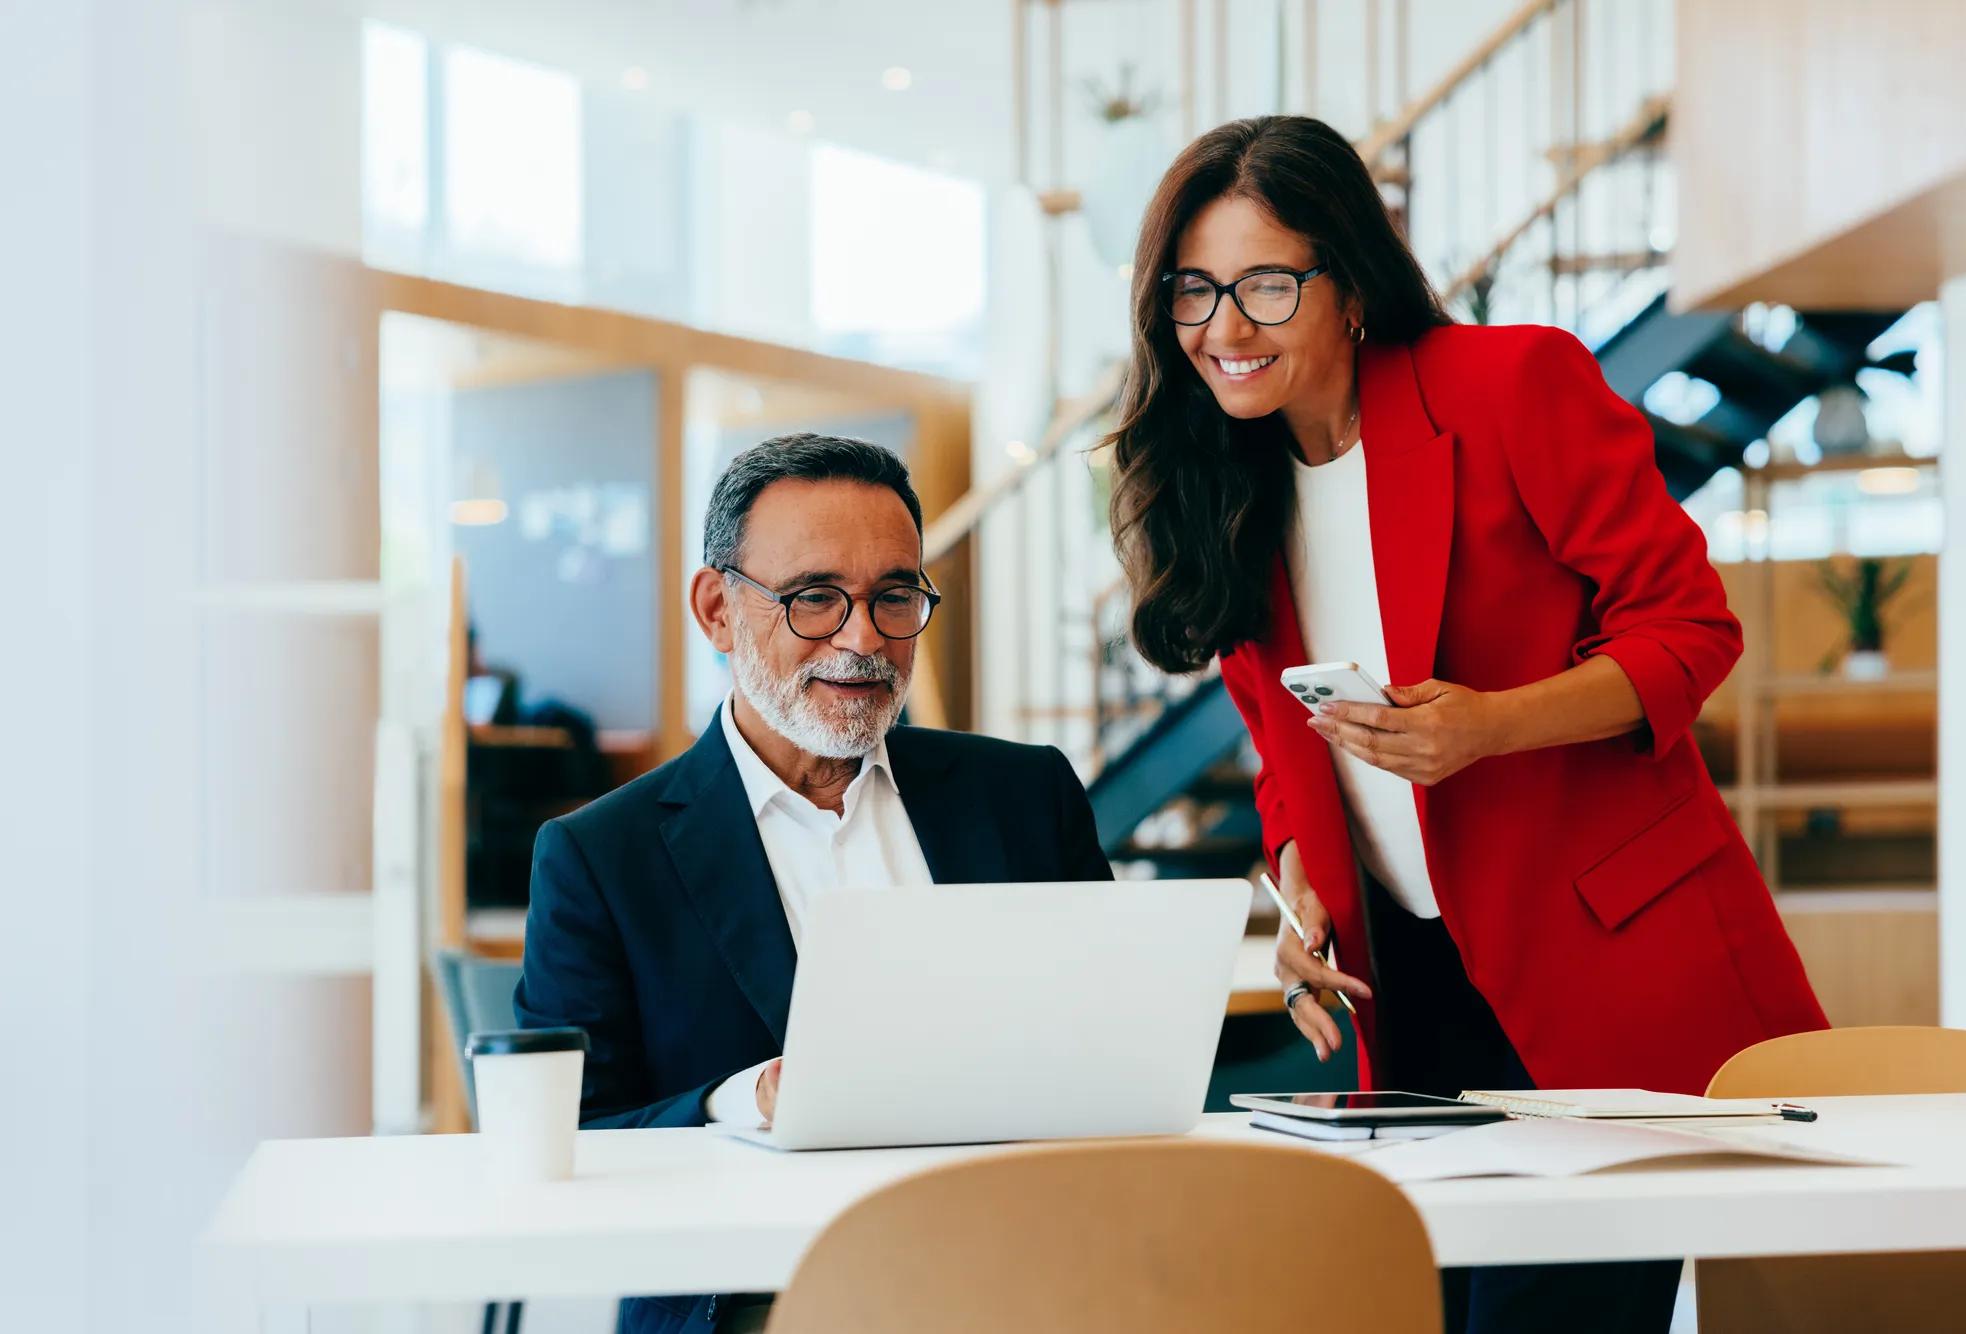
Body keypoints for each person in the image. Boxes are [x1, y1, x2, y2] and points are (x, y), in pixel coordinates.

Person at [1106, 115, 1827, 1334]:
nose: (1223, 327)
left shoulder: (1509, 384)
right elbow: (1288, 753)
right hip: (1412, 988)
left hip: (1600, 960)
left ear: (1347, 283)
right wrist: (1297, 889)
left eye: (1265, 283)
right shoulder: (1224, 484)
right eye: (1192, 290)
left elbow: (1688, 628)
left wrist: (1489, 726)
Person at [516, 432, 1112, 1334]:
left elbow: (1108, 1042)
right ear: (718, 610)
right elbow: (570, 1138)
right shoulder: (603, 858)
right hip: (762, 1294)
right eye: (814, 599)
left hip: (1028, 1272)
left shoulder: (1027, 796)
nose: (863, 639)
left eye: (895, 596)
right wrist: (743, 1099)